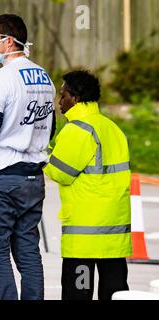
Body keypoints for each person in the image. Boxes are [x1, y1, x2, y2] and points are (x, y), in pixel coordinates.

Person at [0, 14, 56, 300]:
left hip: (1, 178)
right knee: (28, 251)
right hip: (33, 177)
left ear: (8, 41)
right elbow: (51, 126)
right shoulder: (44, 77)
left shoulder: (1, 79)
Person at [43, 70, 131, 300]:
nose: (59, 102)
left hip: (85, 235)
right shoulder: (112, 128)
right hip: (114, 232)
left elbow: (61, 173)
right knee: (115, 293)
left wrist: (43, 158)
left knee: (78, 293)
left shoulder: (78, 129)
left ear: (76, 97)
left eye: (63, 96)